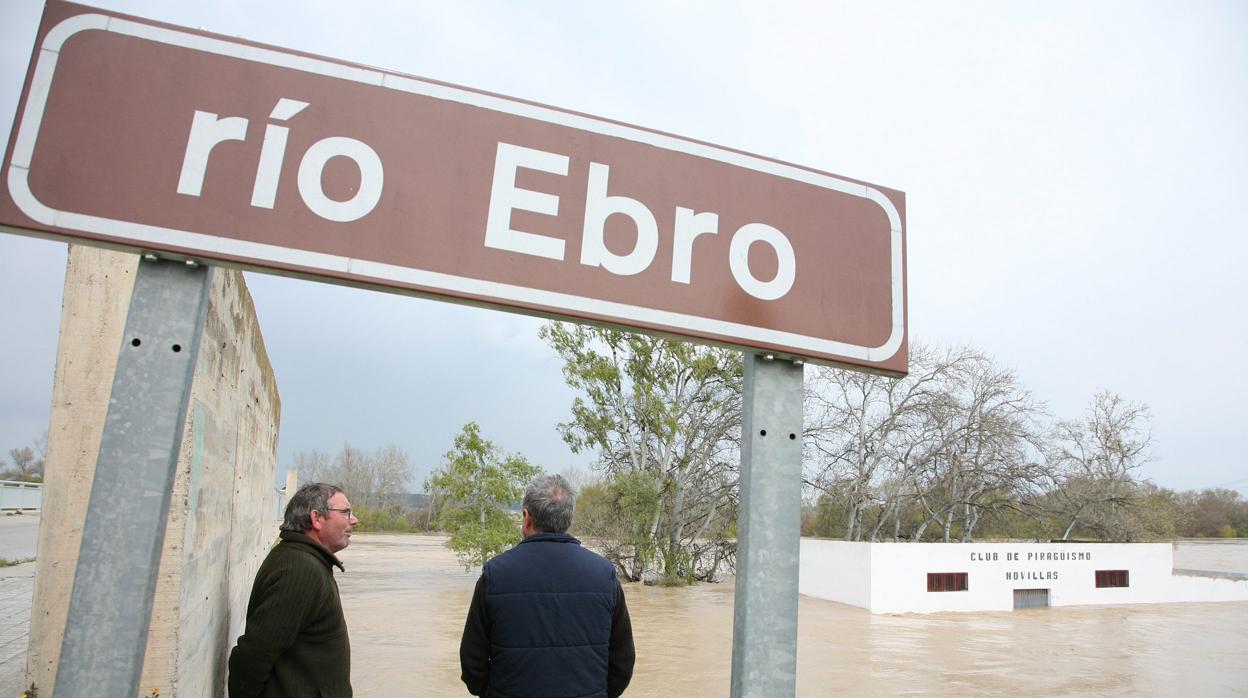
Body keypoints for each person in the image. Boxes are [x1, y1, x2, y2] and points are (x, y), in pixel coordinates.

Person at [460, 474, 635, 698]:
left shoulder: (495, 574)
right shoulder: (604, 575)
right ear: (568, 518)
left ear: (526, 517)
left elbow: (472, 664)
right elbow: (622, 662)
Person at [228, 482, 358, 697]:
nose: (354, 520)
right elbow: (253, 655)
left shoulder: (303, 560)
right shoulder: (300, 570)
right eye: (345, 512)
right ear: (317, 519)